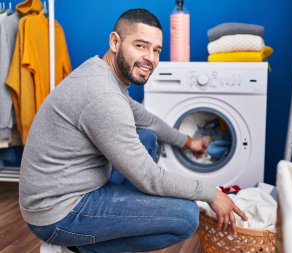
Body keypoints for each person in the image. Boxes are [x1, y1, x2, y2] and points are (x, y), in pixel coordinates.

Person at [19, 8, 247, 253]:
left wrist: (186, 141)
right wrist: (211, 193)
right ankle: (74, 247)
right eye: (140, 45)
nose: (150, 58)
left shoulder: (104, 74)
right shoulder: (103, 96)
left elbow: (146, 120)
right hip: (57, 214)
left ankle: (105, 225)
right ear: (115, 42)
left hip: (76, 186)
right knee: (185, 217)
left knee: (146, 137)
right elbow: (150, 178)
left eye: (156, 50)